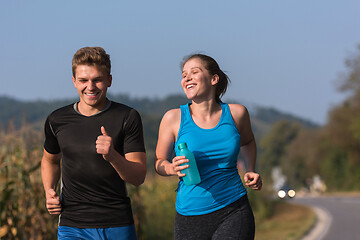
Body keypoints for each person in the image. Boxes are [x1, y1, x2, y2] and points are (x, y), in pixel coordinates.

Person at [41, 47, 146, 240]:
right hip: (72, 225)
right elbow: (50, 161)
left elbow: (138, 177)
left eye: (97, 79)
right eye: (83, 80)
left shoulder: (127, 117)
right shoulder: (56, 120)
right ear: (74, 81)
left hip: (117, 223)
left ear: (109, 80)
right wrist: (49, 190)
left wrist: (113, 156)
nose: (90, 87)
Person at [154, 53, 262, 240]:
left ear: (214, 79)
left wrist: (251, 169)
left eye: (194, 72)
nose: (186, 77)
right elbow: (159, 162)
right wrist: (171, 168)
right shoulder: (173, 118)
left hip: (233, 207)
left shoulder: (237, 114)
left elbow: (248, 141)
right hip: (189, 214)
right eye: (183, 74)